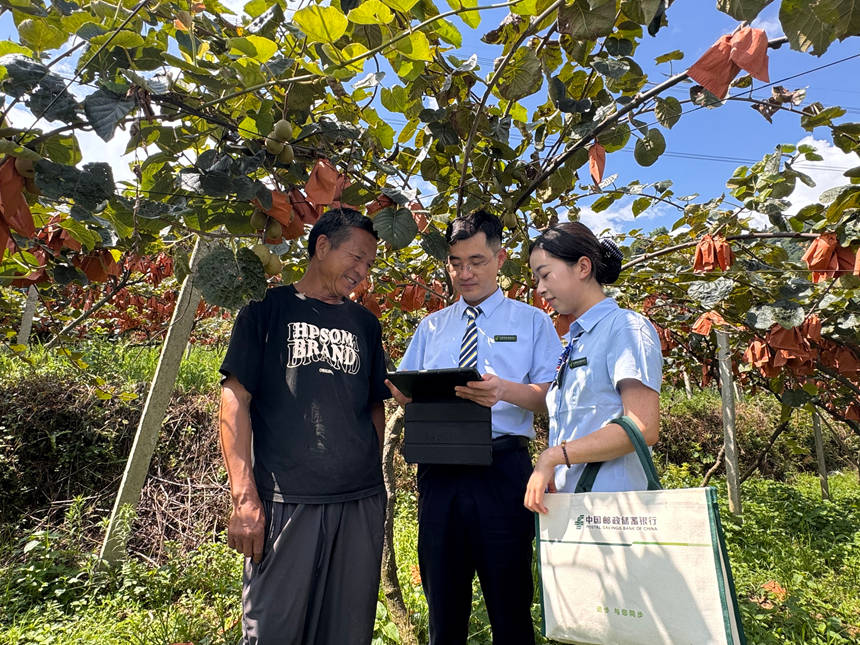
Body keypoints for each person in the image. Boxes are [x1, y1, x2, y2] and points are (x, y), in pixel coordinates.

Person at [386, 210, 561, 645]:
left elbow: (552, 397)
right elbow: (405, 389)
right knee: (443, 602)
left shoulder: (533, 321)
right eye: (456, 263)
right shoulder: (431, 326)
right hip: (440, 469)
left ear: (499, 259)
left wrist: (504, 391)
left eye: (477, 261)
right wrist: (405, 392)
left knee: (509, 600)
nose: (465, 273)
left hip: (502, 469)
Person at [218, 208, 390, 645]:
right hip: (286, 501)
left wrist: (367, 471)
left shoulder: (366, 325)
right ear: (322, 246)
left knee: (347, 632)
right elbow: (235, 399)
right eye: (356, 257)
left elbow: (374, 406)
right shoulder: (265, 310)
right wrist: (244, 497)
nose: (362, 271)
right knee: (273, 630)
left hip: (359, 502)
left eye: (369, 263)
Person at [523, 222, 662, 514]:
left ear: (583, 267)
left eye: (545, 275)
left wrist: (553, 457)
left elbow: (643, 427)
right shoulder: (577, 340)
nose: (540, 289)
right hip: (576, 510)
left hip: (616, 512)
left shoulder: (625, 328)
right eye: (537, 279)